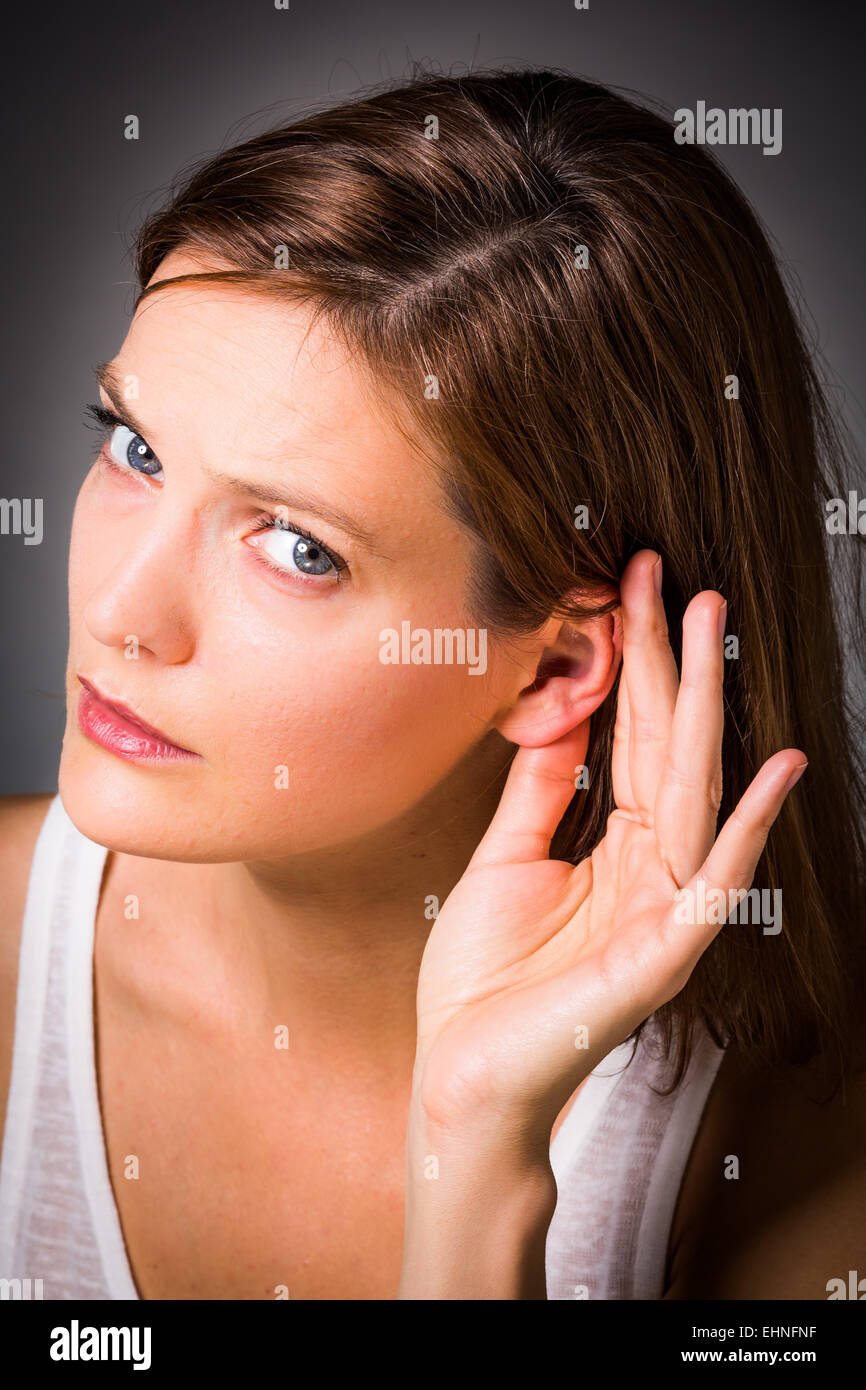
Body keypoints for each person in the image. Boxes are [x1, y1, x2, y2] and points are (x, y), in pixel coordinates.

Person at [1, 67, 864, 1301]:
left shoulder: (800, 1142)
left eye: (299, 547)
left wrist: (474, 1158)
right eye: (135, 448)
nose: (116, 613)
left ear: (559, 666)